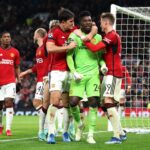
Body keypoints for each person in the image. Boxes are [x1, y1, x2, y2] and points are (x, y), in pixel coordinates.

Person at [73, 12, 126, 144]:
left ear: (106, 23)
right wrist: (90, 35)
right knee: (104, 104)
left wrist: (82, 36)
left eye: (101, 22)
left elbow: (95, 48)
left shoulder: (112, 35)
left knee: (108, 102)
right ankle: (121, 132)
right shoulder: (109, 36)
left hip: (113, 73)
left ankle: (117, 136)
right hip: (109, 73)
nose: (99, 24)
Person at [67, 11, 107, 144]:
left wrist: (102, 66)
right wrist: (73, 71)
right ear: (80, 23)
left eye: (90, 20)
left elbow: (100, 57)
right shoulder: (74, 36)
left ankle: (90, 134)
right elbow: (69, 56)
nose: (88, 22)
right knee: (72, 102)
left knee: (94, 102)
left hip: (93, 75)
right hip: (79, 75)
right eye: (85, 21)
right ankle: (79, 125)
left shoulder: (98, 37)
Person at [46, 8, 76, 144]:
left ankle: (65, 132)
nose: (72, 23)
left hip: (70, 72)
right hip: (57, 71)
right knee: (55, 101)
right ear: (63, 22)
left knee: (67, 104)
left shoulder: (73, 31)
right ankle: (51, 134)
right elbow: (50, 48)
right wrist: (67, 48)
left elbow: (90, 29)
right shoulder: (54, 32)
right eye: (70, 21)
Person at [19, 28, 49, 141]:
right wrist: (26, 72)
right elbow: (38, 67)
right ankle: (45, 129)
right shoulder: (39, 49)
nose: (32, 36)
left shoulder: (46, 46)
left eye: (34, 34)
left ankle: (45, 129)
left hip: (45, 79)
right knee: (43, 105)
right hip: (41, 79)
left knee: (38, 102)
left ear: (38, 35)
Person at [0, 31, 20, 136]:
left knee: (9, 102)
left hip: (10, 82)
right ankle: (0, 126)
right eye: (5, 37)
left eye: (9, 36)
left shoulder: (15, 52)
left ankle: (8, 129)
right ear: (1, 39)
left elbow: (17, 67)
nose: (7, 38)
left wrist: (19, 79)